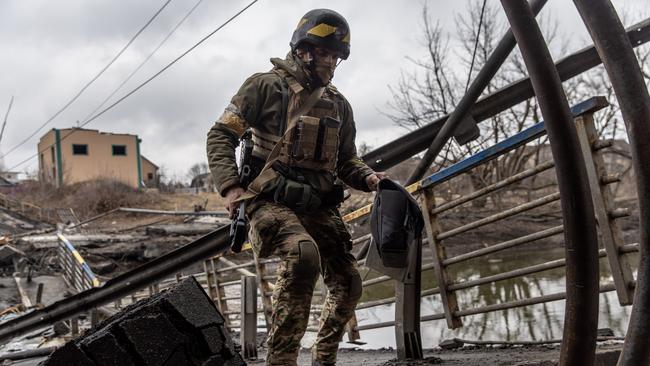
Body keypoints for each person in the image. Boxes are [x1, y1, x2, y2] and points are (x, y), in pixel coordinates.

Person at [206, 8, 384, 365]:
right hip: (269, 199)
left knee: (349, 281)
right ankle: (282, 359)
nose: (330, 61)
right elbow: (220, 135)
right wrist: (230, 189)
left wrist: (369, 177)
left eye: (336, 56)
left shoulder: (339, 104)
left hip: (318, 204)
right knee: (303, 257)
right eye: (324, 52)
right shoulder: (265, 86)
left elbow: (347, 159)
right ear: (303, 49)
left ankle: (325, 357)